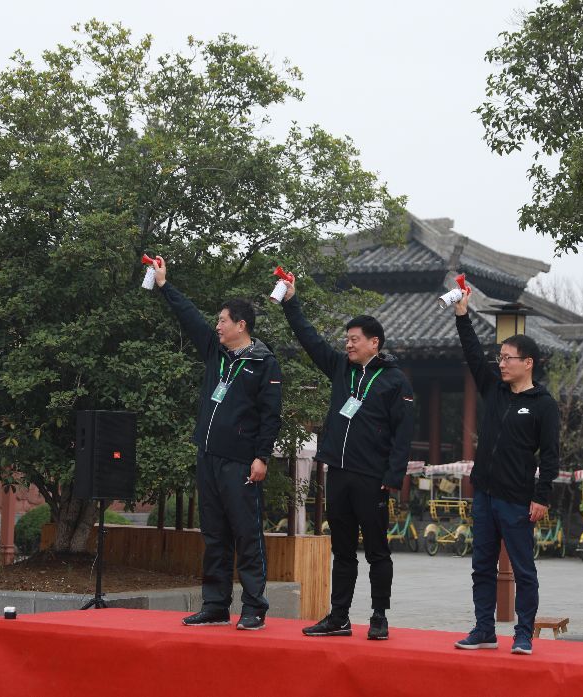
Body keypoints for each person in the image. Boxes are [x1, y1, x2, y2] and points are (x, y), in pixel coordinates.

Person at [150, 259, 283, 631]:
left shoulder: (264, 363)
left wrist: (261, 456)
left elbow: (271, 415)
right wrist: (164, 284)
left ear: (241, 325)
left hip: (240, 462)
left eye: (223, 321)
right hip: (207, 456)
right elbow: (188, 316)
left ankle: (254, 607)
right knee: (214, 535)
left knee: (246, 534)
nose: (217, 326)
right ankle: (215, 605)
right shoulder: (215, 351)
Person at [279, 278, 414, 641]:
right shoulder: (341, 369)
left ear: (374, 343)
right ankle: (339, 617)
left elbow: (403, 435)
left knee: (377, 551)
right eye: (347, 339)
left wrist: (392, 478)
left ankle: (379, 616)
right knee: (342, 551)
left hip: (372, 478)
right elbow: (311, 340)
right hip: (338, 472)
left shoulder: (395, 381)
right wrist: (291, 302)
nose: (348, 344)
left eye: (355, 339)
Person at [451, 287, 559, 656]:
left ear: (528, 363)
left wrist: (541, 497)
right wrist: (462, 315)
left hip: (516, 500)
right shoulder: (494, 391)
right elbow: (472, 354)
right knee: (481, 566)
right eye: (500, 358)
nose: (501, 364)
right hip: (484, 494)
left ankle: (523, 634)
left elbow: (551, 455)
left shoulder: (543, 404)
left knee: (524, 570)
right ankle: (484, 629)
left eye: (508, 358)